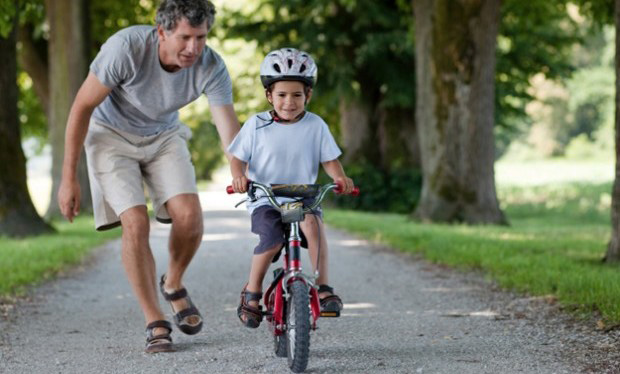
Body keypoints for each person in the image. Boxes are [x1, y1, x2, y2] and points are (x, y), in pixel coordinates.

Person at [57, 0, 240, 353]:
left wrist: (239, 170)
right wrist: (69, 177)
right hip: (110, 136)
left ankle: (173, 283)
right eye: (186, 37)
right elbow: (81, 107)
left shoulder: (211, 65)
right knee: (136, 223)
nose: (194, 48)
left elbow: (228, 129)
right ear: (162, 32)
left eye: (201, 37)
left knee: (190, 216)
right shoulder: (125, 49)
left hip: (163, 137)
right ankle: (154, 318)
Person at [228, 48, 354, 328]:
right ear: (269, 95)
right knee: (271, 240)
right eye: (282, 95)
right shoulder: (256, 125)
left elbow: (330, 161)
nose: (289, 102)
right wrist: (239, 177)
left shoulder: (316, 125)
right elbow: (237, 158)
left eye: (297, 95)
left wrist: (341, 178)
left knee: (314, 225)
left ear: (307, 95)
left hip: (303, 196)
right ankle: (252, 292)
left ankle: (323, 287)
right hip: (266, 197)